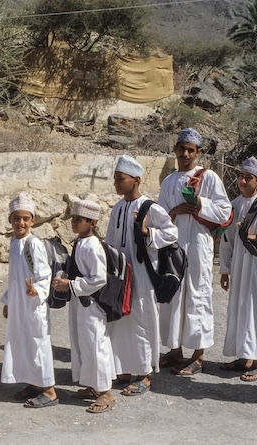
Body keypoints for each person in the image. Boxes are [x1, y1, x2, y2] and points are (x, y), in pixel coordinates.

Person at [157, 128, 232, 375]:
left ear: (198, 153)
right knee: (173, 296)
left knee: (197, 295)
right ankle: (175, 350)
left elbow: (224, 212)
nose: (186, 153)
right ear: (175, 150)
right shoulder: (168, 182)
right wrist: (174, 212)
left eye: (191, 150)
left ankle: (198, 356)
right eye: (182, 149)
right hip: (173, 247)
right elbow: (159, 216)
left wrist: (200, 203)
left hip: (198, 245)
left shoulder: (208, 178)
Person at [106, 155, 178, 395]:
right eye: (115, 179)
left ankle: (144, 374)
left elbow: (171, 233)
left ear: (135, 180)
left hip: (143, 274)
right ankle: (125, 368)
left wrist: (148, 233)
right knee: (121, 319)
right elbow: (111, 241)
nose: (116, 183)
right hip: (121, 274)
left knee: (141, 321)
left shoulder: (150, 207)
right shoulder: (117, 208)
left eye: (121, 179)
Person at [219, 157, 257, 382]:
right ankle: (243, 356)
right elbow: (227, 240)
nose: (243, 181)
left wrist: (254, 236)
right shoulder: (234, 204)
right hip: (239, 266)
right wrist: (224, 270)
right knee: (238, 308)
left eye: (249, 177)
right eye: (241, 176)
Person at [53, 199, 116, 413]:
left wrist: (70, 284)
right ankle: (92, 386)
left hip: (92, 304)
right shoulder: (80, 242)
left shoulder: (93, 246)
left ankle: (106, 392)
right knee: (83, 343)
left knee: (96, 345)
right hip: (80, 302)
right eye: (73, 218)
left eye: (79, 219)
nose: (74, 223)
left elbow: (99, 279)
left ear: (93, 222)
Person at [0, 193, 58, 408]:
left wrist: (37, 292)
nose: (21, 223)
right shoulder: (15, 243)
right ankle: (34, 383)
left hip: (33, 305)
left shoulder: (33, 244)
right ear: (10, 220)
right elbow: (14, 278)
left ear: (33, 220)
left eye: (25, 218)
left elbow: (45, 275)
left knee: (37, 343)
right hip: (19, 304)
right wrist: (8, 301)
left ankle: (50, 390)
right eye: (17, 218)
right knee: (23, 342)